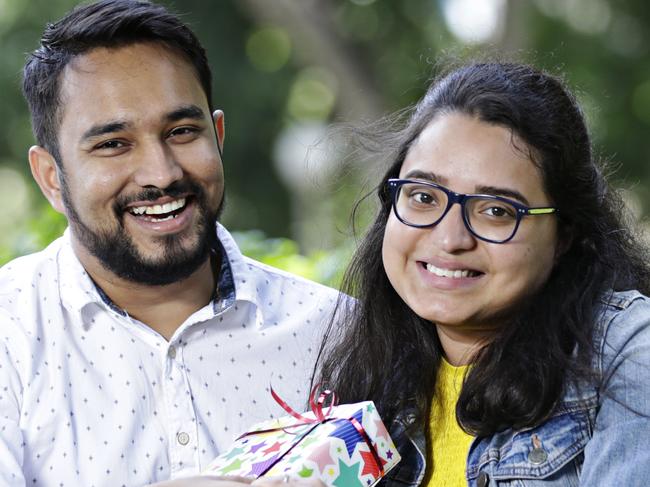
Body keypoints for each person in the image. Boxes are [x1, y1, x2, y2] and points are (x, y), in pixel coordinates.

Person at [0, 1, 337, 486]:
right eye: (113, 144)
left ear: (217, 136)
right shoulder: (11, 336)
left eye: (182, 132)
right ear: (52, 178)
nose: (162, 174)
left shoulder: (336, 335)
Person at [315, 61, 650, 486]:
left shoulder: (629, 352)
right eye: (422, 196)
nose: (450, 237)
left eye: (496, 210)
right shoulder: (364, 373)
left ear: (563, 234)